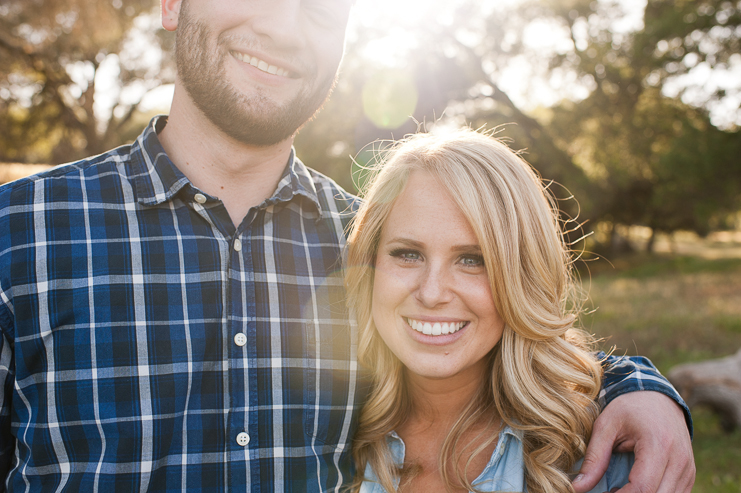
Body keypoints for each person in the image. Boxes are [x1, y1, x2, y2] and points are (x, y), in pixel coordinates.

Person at [0, 0, 694, 491]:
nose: (281, 25)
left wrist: (642, 388)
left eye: (321, 10)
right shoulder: (20, 230)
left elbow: (505, 344)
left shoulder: (372, 245)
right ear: (172, 3)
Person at [345, 130, 641, 492]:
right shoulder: (328, 431)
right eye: (408, 254)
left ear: (522, 276)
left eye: (472, 259)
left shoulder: (598, 453)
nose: (432, 292)